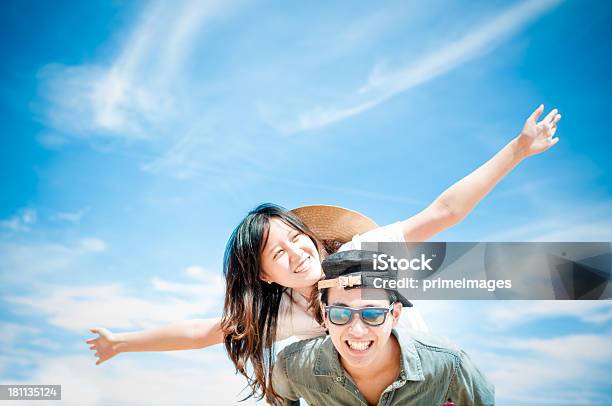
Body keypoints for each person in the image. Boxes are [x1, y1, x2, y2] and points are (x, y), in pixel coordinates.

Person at [86, 105, 559, 401]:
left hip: (425, 387)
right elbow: (200, 332)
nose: (295, 252)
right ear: (266, 276)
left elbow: (444, 211)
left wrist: (517, 149)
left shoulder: (360, 254)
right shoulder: (280, 310)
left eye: (296, 237)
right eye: (276, 253)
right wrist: (121, 342)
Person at [272, 250, 495, 405]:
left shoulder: (449, 365)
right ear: (325, 315)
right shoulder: (292, 367)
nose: (357, 330)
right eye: (341, 314)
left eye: (373, 314)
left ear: (395, 314)